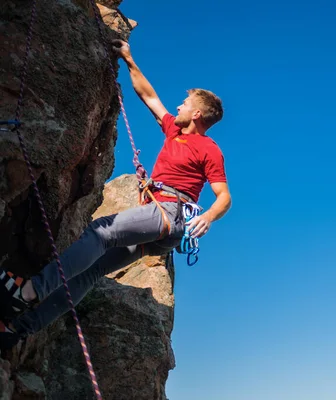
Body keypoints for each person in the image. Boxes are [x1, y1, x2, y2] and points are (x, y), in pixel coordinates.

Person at [0, 39, 232, 350]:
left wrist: (208, 217)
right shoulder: (174, 131)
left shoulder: (209, 149)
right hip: (161, 223)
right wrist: (128, 59)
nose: (178, 106)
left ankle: (27, 293)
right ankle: (17, 331)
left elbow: (224, 196)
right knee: (93, 270)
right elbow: (149, 96)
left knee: (101, 231)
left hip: (168, 214)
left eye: (185, 103)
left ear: (198, 114)